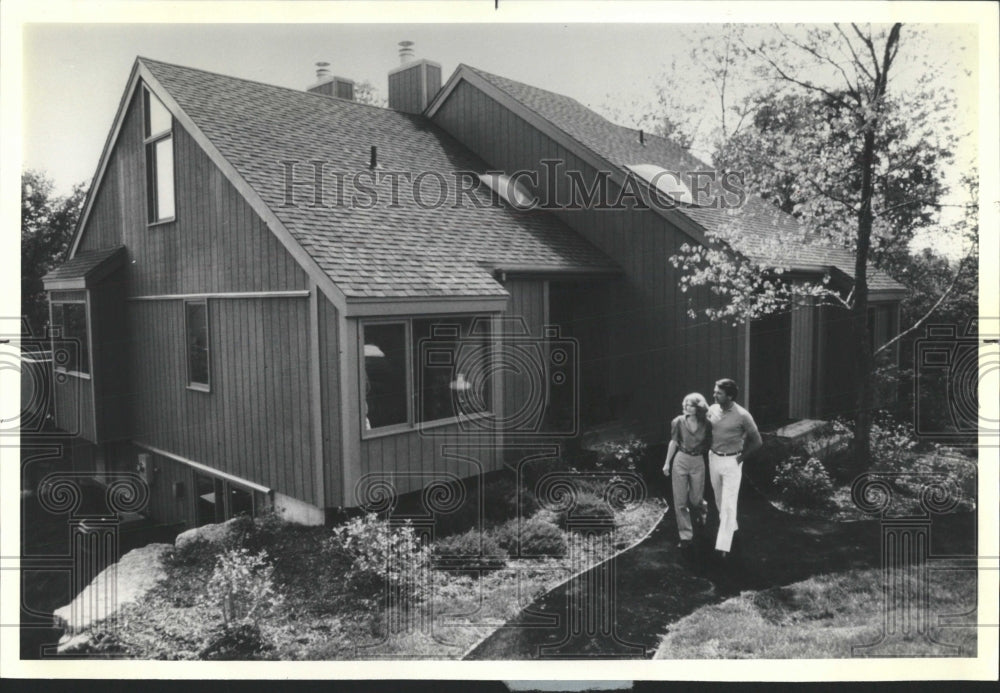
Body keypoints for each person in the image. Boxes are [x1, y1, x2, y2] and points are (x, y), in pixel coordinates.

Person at [706, 378, 762, 559]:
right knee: (719, 500)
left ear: (729, 396)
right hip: (713, 458)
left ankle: (723, 547)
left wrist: (740, 459)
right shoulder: (712, 410)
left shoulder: (743, 415)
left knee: (729, 505)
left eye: (718, 393)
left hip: (732, 461)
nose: (714, 395)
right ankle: (731, 528)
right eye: (714, 391)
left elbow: (757, 441)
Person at [663, 393, 712, 549]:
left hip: (698, 461)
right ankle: (686, 536)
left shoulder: (706, 423)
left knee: (695, 499)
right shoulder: (677, 422)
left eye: (689, 404)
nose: (685, 406)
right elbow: (673, 442)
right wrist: (667, 463)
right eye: (684, 403)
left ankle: (702, 507)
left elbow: (711, 442)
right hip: (681, 460)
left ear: (698, 407)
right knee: (680, 501)